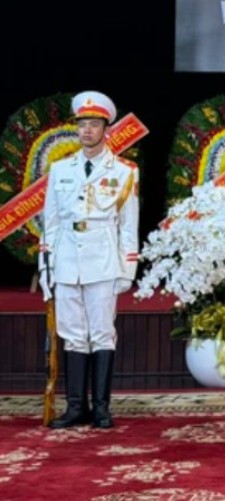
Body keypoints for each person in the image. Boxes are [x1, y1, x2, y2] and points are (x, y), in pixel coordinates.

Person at [39, 91, 139, 429]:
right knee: (72, 334)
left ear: (106, 129)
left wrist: (127, 268)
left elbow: (128, 225)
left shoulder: (124, 171)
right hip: (67, 259)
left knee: (102, 332)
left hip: (103, 258)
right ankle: (75, 407)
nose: (87, 130)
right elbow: (51, 222)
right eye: (82, 124)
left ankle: (101, 408)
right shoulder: (60, 169)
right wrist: (46, 267)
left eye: (94, 124)